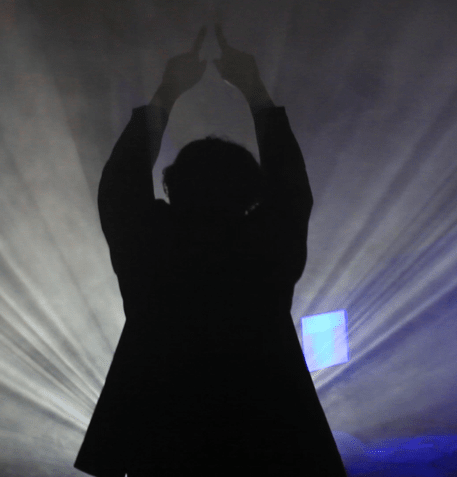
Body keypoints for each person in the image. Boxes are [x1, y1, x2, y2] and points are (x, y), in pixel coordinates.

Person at [74, 25, 347, 477]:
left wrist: (167, 93)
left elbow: (120, 182)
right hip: (269, 428)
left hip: (159, 430)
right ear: (250, 193)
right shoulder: (264, 244)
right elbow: (290, 187)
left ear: (174, 186)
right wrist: (254, 91)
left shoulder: (150, 243)